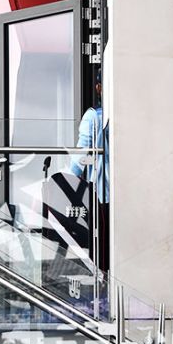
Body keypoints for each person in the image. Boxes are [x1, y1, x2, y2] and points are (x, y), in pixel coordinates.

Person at [69, 70, 109, 269]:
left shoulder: (93, 117)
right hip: (125, 193)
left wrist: (65, 182)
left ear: (99, 88)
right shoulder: (129, 115)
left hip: (103, 196)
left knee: (101, 257)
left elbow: (79, 160)